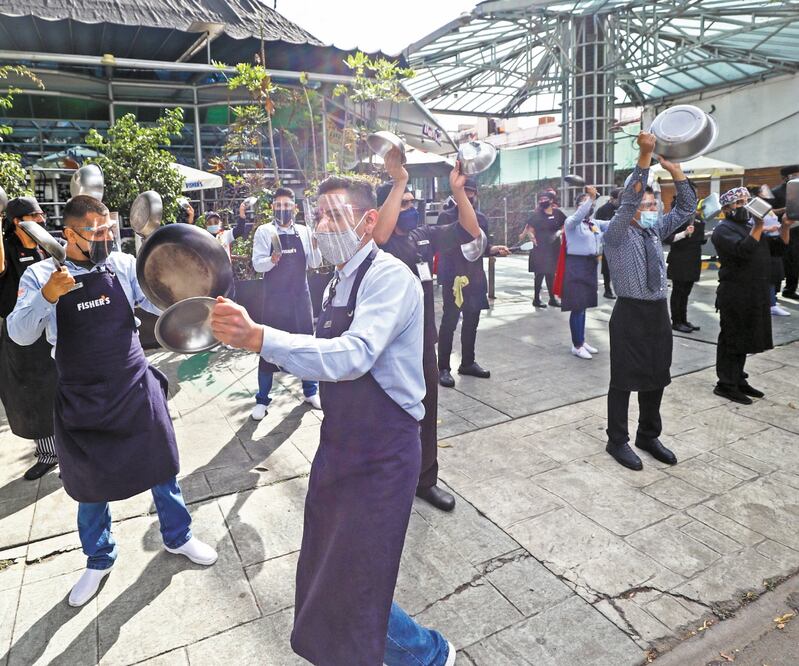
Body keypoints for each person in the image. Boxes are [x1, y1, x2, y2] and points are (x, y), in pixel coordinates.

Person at [210, 176, 456, 666]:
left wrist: (263, 338)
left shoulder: (389, 276)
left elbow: (355, 355)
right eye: (317, 214)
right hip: (342, 444)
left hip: (384, 450)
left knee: (358, 574)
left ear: (368, 221)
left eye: (332, 215)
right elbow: (323, 355)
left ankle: (427, 654)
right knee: (332, 567)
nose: (318, 226)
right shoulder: (339, 279)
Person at [7, 195, 217, 607]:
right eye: (96, 231)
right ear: (69, 234)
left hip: (134, 386)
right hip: (81, 397)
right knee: (88, 485)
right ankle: (98, 558)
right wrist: (47, 296)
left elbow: (156, 301)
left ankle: (179, 537)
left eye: (108, 229)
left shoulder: (120, 265)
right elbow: (20, 333)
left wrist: (184, 275)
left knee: (163, 468)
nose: (106, 237)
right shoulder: (39, 275)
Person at [373, 153, 482, 513]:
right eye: (403, 202)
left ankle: (425, 480)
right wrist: (398, 181)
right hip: (389, 347)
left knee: (427, 409)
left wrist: (458, 191)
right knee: (390, 414)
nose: (410, 206)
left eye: (411, 201)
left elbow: (469, 230)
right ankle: (389, 479)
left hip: (423, 342)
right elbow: (380, 232)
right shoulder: (382, 242)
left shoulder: (423, 236)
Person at [602, 132, 697, 471]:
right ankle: (617, 440)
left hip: (658, 311)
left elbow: (686, 207)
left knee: (657, 375)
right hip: (629, 312)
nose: (651, 207)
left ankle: (648, 434)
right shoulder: (615, 233)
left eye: (654, 202)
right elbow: (629, 199)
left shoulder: (656, 229)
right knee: (624, 379)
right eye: (646, 203)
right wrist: (644, 158)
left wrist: (675, 170)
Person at [711, 187, 791, 404]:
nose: (744, 206)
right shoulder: (723, 230)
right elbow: (743, 251)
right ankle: (725, 384)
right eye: (738, 203)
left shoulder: (749, 226)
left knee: (745, 337)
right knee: (732, 339)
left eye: (746, 201)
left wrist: (784, 226)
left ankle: (738, 379)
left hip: (754, 292)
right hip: (735, 294)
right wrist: (758, 226)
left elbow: (778, 249)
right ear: (726, 208)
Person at [250, 188, 322, 420]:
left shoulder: (304, 231)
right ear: (273, 208)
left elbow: (314, 263)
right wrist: (271, 260)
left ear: (295, 208)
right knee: (268, 348)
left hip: (301, 298)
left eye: (287, 205)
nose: (283, 209)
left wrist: (316, 244)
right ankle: (262, 400)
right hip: (274, 300)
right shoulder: (265, 231)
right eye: (278, 205)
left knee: (306, 346)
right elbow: (257, 265)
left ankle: (311, 392)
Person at [0, 196, 58, 480]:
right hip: (22, 336)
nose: (42, 220)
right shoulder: (7, 250)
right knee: (33, 394)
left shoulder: (48, 248)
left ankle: (70, 443)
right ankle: (48, 453)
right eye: (35, 216)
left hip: (53, 328)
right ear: (16, 222)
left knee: (62, 386)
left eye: (42, 215)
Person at [436, 178, 510, 388]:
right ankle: (443, 367)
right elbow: (443, 245)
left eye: (471, 191)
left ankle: (467, 362)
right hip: (454, 278)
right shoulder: (446, 216)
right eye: (464, 190)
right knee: (449, 322)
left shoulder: (482, 218)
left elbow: (481, 247)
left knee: (472, 322)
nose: (468, 195)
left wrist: (494, 249)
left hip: (476, 276)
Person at [559, 186, 610, 360]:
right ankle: (577, 345)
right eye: (584, 203)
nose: (589, 206)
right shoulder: (571, 222)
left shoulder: (594, 224)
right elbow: (581, 214)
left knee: (584, 305)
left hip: (590, 265)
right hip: (576, 266)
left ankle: (581, 340)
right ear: (578, 206)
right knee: (577, 307)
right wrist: (591, 198)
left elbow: (612, 224)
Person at [664, 206, 706, 333]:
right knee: (679, 292)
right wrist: (684, 234)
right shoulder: (675, 216)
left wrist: (705, 236)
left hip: (693, 258)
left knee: (686, 292)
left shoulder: (697, 216)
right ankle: (676, 321)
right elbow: (666, 238)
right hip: (680, 260)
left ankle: (683, 319)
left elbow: (698, 238)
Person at [521, 191, 565, 307]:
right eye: (540, 199)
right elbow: (530, 229)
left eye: (544, 199)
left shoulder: (558, 213)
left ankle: (552, 299)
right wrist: (532, 237)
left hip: (554, 248)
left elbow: (564, 225)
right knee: (539, 274)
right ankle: (536, 299)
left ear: (551, 200)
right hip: (539, 248)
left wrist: (559, 232)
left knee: (551, 274)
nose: (542, 201)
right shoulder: (536, 215)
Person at [772, 165, 799, 300]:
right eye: (795, 174)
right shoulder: (776, 192)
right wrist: (785, 209)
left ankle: (790, 288)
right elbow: (769, 212)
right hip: (784, 230)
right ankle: (776, 292)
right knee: (784, 260)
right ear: (785, 177)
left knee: (795, 261)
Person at [594, 187, 621, 299]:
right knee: (607, 268)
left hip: (621, 242)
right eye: (618, 199)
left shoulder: (622, 208)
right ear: (612, 199)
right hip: (608, 242)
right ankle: (607, 289)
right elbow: (598, 227)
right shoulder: (602, 210)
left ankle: (619, 289)